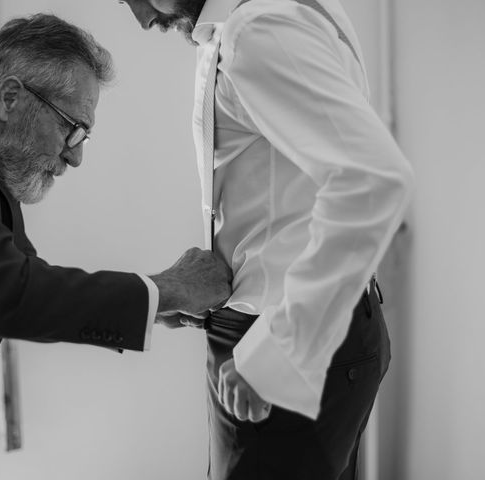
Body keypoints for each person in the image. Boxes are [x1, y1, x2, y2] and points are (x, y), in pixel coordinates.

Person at [0, 14, 232, 480]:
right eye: (72, 128)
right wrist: (165, 289)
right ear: (10, 98)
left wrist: (152, 304)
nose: (76, 155)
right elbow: (10, 294)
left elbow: (28, 276)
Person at [121, 0, 415, 478]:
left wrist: (280, 353)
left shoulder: (257, 31)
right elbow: (292, 192)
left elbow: (374, 180)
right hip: (298, 329)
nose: (142, 17)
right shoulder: (262, 17)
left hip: (283, 342)